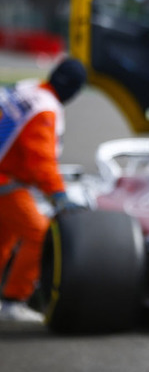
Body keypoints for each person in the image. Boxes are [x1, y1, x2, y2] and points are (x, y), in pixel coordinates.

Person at [0, 57, 87, 323]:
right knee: (38, 233)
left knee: (5, 238)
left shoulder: (28, 89)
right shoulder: (46, 110)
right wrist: (58, 195)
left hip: (7, 177)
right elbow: (41, 161)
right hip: (6, 182)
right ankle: (12, 301)